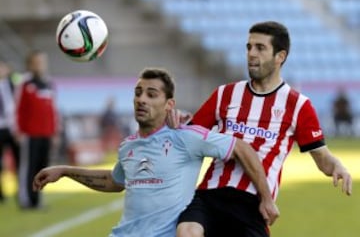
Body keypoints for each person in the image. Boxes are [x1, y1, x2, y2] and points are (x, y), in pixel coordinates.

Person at [33, 68, 279, 236]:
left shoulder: (186, 137)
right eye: (138, 93)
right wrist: (64, 171)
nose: (142, 99)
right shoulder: (128, 145)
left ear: (169, 104)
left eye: (152, 95)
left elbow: (241, 148)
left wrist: (266, 198)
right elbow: (115, 181)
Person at [172, 21, 352, 237]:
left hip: (252, 205)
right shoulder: (225, 94)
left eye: (260, 48)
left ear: (280, 56)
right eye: (249, 47)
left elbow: (322, 158)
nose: (251, 54)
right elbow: (188, 139)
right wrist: (179, 123)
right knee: (187, 232)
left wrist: (337, 166)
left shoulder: (298, 105)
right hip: (210, 194)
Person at [17, 50, 58, 209]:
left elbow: (53, 110)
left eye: (42, 61)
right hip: (30, 134)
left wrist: (54, 132)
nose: (40, 65)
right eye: (37, 62)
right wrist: (19, 131)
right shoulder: (24, 83)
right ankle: (26, 200)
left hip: (46, 133)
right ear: (30, 64)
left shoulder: (49, 83)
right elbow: (17, 109)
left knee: (43, 168)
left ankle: (38, 199)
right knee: (28, 168)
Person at [0, 60, 20, 202]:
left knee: (19, 161)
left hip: (13, 128)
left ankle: (21, 191)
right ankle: (1, 194)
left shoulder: (14, 85)